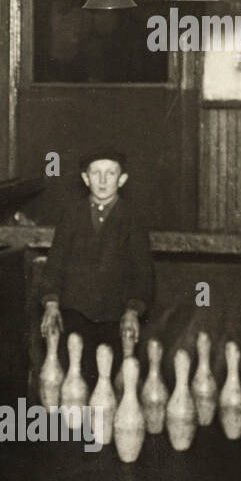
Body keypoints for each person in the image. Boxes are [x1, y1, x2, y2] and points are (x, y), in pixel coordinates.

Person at [39, 148, 154, 385]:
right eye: (96, 173)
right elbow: (55, 263)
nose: (102, 180)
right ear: (85, 178)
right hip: (75, 316)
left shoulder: (133, 218)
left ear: (122, 180)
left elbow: (144, 273)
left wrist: (133, 311)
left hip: (116, 319)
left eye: (110, 174)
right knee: (74, 384)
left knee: (112, 387)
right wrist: (51, 304)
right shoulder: (71, 214)